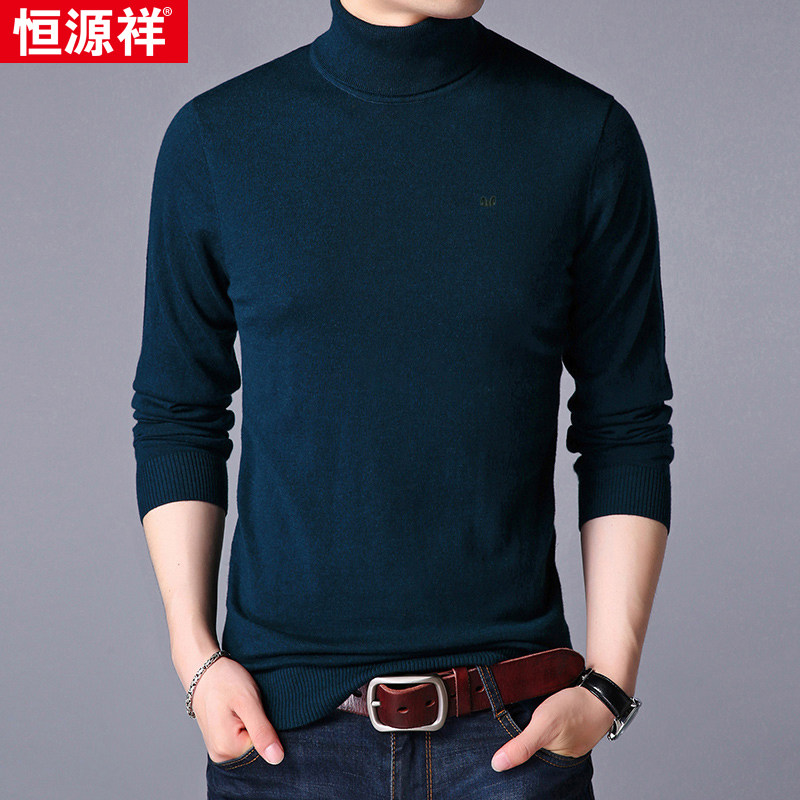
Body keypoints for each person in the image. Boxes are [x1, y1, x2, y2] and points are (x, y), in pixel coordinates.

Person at [130, 0, 674, 797]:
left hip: (510, 738)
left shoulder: (582, 133)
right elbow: (179, 411)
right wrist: (196, 659)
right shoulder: (219, 138)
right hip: (283, 737)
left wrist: (609, 686)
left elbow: (625, 422)